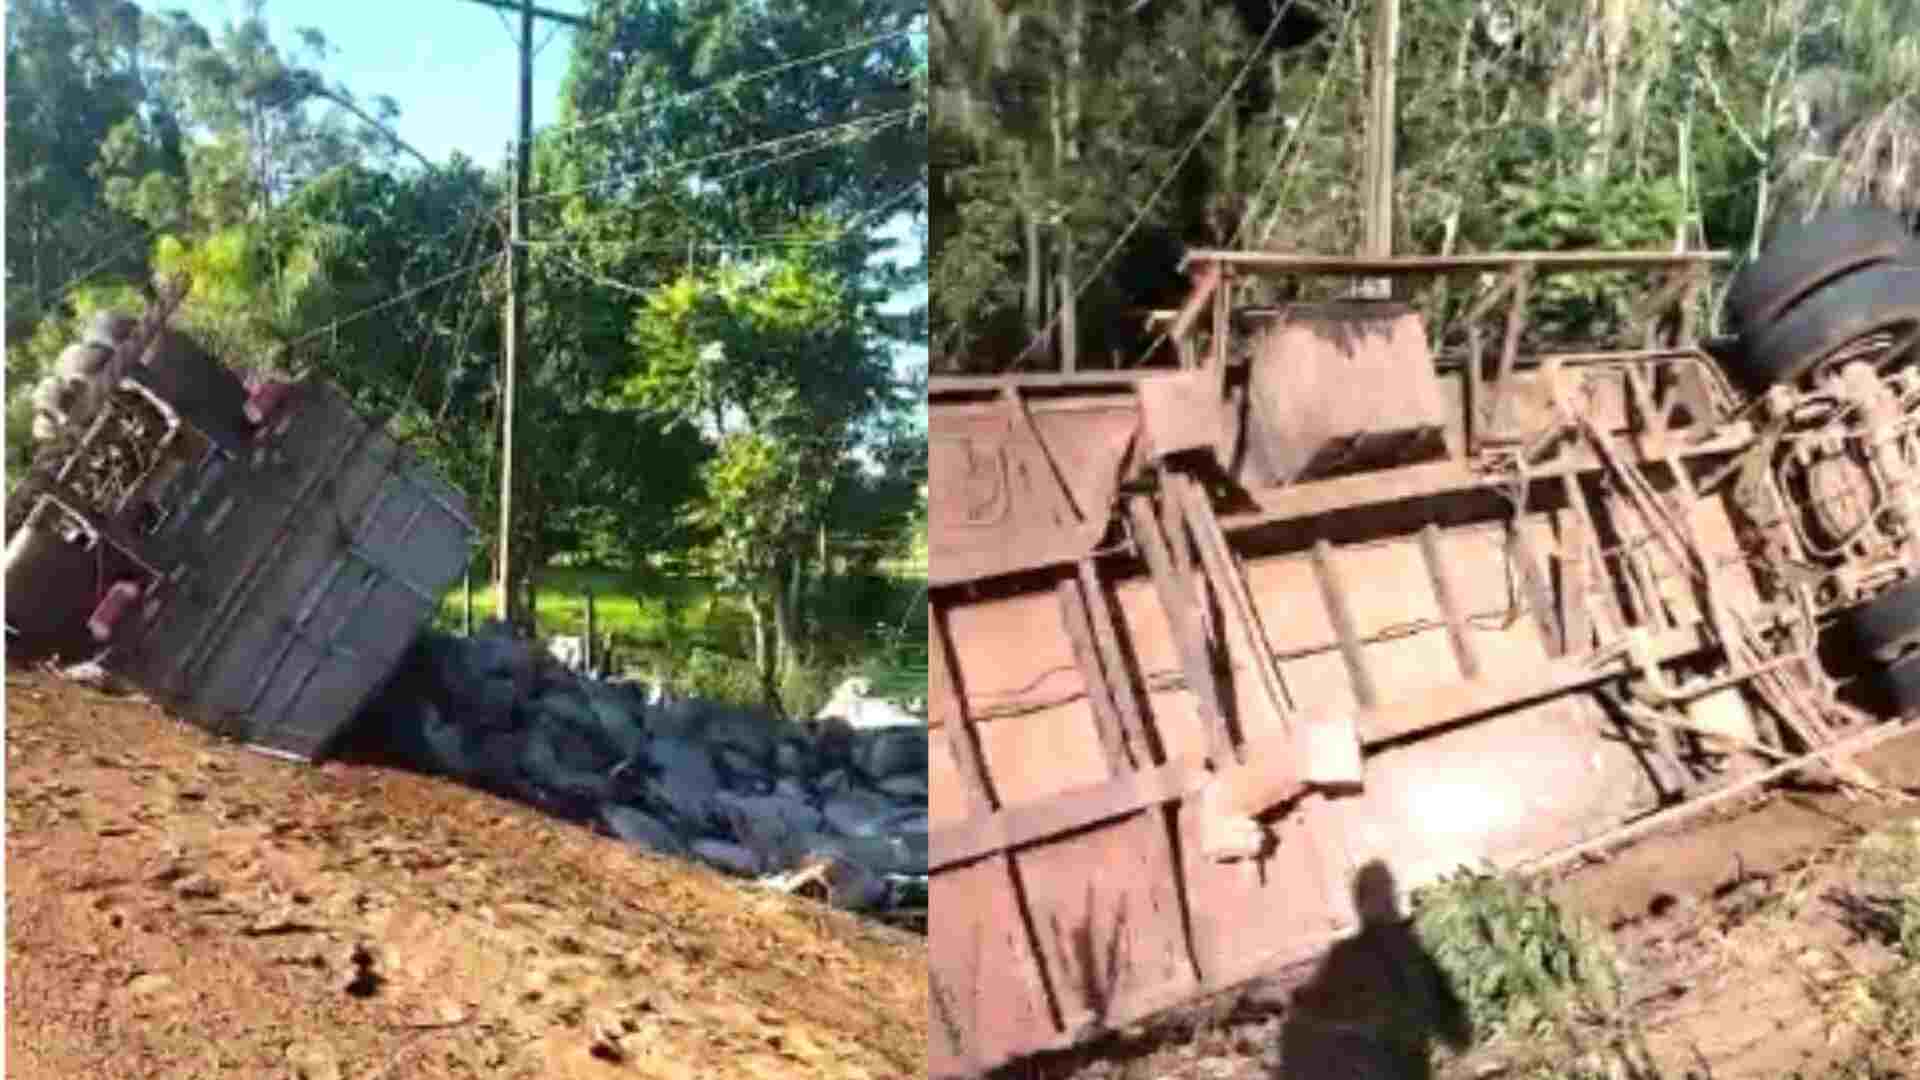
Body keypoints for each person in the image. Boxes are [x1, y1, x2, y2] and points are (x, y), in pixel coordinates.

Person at [1278, 860, 1472, 1079]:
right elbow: (1457, 1032)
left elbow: (1304, 1018)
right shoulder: (1407, 956)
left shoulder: (1347, 956)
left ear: (1360, 905)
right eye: (1385, 897)